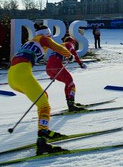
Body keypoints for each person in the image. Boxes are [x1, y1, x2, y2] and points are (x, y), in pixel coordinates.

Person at [8, 24, 74, 155]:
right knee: (44, 106)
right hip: (22, 74)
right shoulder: (44, 39)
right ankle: (42, 142)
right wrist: (69, 55)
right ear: (47, 34)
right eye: (49, 36)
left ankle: (45, 130)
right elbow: (57, 47)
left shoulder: (29, 42)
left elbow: (14, 58)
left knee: (43, 97)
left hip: (12, 76)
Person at [46, 36, 87, 112]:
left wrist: (52, 75)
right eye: (74, 43)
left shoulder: (59, 45)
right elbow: (74, 54)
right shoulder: (68, 44)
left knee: (67, 83)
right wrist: (80, 64)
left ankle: (70, 103)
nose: (74, 45)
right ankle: (71, 105)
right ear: (72, 41)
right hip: (56, 66)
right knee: (71, 84)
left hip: (49, 69)